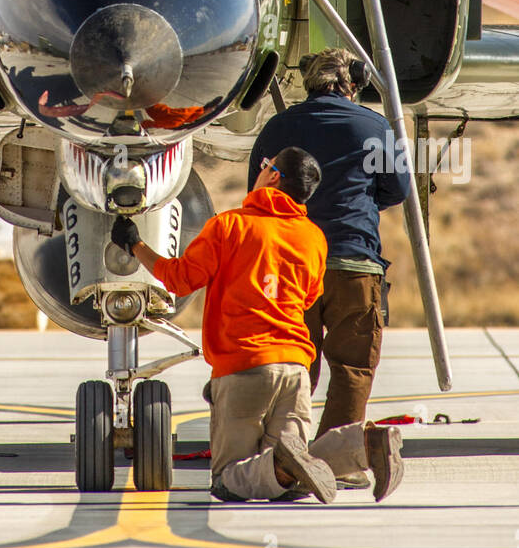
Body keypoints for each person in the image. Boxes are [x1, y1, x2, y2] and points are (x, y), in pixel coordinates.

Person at [111, 145, 404, 503]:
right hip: (295, 367)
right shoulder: (314, 238)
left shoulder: (229, 226)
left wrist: (135, 245)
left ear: (274, 176)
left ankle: (285, 463)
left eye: (266, 166)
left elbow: (179, 279)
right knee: (292, 485)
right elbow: (308, 298)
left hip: (243, 367)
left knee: (227, 481)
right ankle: (364, 443)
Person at [247, 49, 411, 442]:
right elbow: (399, 188)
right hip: (353, 263)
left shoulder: (277, 128)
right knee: (353, 366)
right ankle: (336, 457)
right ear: (353, 82)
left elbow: (258, 190)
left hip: (291, 267)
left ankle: (285, 447)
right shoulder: (374, 126)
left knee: (293, 364)